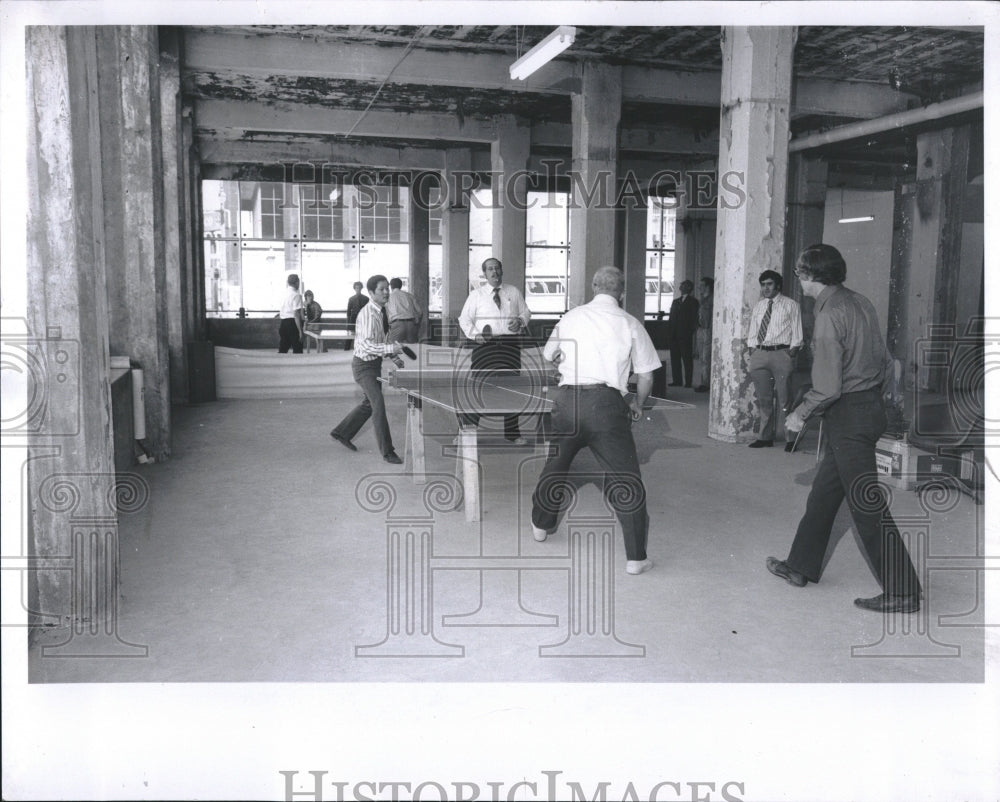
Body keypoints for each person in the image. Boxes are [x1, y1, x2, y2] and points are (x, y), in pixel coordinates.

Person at [767, 244, 921, 614]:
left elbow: (828, 386)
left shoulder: (828, 316)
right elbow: (886, 360)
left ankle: (903, 591)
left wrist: (800, 413)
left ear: (809, 276)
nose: (799, 278)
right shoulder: (859, 302)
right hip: (866, 407)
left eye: (801, 272)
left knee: (866, 504)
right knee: (824, 494)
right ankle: (800, 566)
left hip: (849, 413)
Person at [530, 266, 659, 575]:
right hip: (607, 406)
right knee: (626, 478)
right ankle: (636, 557)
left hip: (567, 403)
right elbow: (646, 375)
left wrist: (563, 358)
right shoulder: (630, 323)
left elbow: (548, 355)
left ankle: (541, 525)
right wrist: (639, 405)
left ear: (593, 287)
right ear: (622, 292)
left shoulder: (572, 316)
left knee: (555, 466)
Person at [330, 275, 405, 465]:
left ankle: (342, 432)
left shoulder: (381, 311)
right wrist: (390, 349)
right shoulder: (367, 314)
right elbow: (366, 346)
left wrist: (393, 355)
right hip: (363, 366)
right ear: (371, 293)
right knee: (377, 403)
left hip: (374, 364)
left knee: (369, 404)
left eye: (387, 288)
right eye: (381, 289)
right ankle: (388, 452)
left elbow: (380, 341)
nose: (386, 291)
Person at [457, 257, 531, 444]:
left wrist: (520, 321)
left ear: (501, 271)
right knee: (478, 388)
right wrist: (476, 335)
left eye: (497, 268)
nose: (494, 272)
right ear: (484, 273)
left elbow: (525, 312)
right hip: (484, 345)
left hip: (510, 343)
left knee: (512, 388)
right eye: (490, 269)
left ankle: (512, 433)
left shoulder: (513, 291)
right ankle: (465, 432)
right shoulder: (476, 295)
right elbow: (464, 319)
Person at [745, 269, 802, 447]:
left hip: (781, 353)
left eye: (769, 284)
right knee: (764, 398)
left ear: (777, 285)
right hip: (760, 354)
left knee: (785, 399)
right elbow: (753, 330)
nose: (766, 288)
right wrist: (752, 349)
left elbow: (797, 331)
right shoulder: (759, 306)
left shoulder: (791, 305)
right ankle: (765, 437)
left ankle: (790, 438)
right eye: (763, 285)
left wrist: (791, 352)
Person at [666, 279, 699, 388]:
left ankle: (688, 382)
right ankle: (677, 380)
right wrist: (670, 332)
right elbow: (671, 318)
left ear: (689, 288)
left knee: (687, 358)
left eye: (683, 285)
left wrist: (691, 332)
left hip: (685, 335)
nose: (680, 288)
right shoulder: (676, 301)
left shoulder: (693, 302)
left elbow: (694, 318)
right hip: (673, 334)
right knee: (675, 358)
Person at [386, 277, 423, 344]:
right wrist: (417, 325)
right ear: (401, 285)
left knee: (393, 348)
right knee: (413, 348)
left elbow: (385, 313)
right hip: (411, 324)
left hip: (397, 323)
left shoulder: (388, 297)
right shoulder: (410, 296)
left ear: (391, 286)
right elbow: (420, 312)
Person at [693, 277, 714, 393]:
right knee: (702, 358)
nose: (699, 287)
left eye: (702, 285)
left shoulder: (712, 300)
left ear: (708, 287)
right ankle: (703, 381)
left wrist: (710, 331)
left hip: (708, 330)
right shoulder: (702, 299)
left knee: (706, 358)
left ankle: (705, 384)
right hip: (700, 329)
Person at [277, 273, 304, 354]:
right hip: (292, 324)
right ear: (296, 282)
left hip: (283, 324)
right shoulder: (296, 295)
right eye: (298, 282)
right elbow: (296, 314)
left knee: (283, 349)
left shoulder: (283, 294)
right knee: (298, 349)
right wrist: (300, 331)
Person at [345, 281, 369, 351]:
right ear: (354, 289)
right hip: (353, 319)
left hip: (363, 319)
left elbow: (368, 311)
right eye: (356, 288)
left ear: (361, 288)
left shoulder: (366, 299)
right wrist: (347, 323)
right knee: (350, 335)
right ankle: (346, 349)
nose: (358, 289)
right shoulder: (351, 299)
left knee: (363, 335)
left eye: (359, 288)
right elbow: (348, 312)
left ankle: (363, 350)